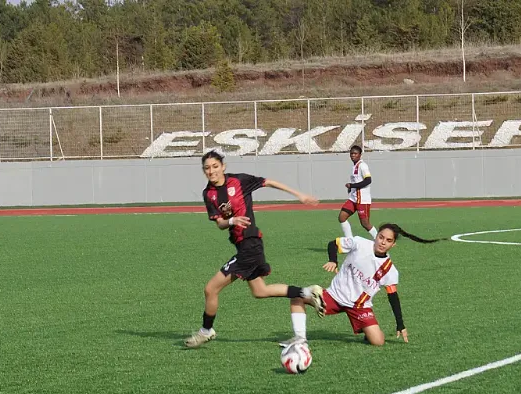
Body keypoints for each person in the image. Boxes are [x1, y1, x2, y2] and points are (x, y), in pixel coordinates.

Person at [184, 150, 319, 348]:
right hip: (243, 246)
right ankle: (307, 292)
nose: (211, 171)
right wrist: (232, 220)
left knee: (211, 289)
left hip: (250, 243)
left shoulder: (239, 181)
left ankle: (206, 331)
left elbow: (268, 182)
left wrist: (299, 194)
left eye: (215, 166)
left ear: (223, 166)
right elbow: (220, 224)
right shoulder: (209, 194)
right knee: (260, 291)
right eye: (207, 168)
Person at [283, 224, 438, 347]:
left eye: (388, 240)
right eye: (381, 237)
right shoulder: (360, 243)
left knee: (378, 342)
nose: (383, 242)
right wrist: (333, 260)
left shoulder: (390, 270)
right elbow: (333, 244)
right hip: (334, 295)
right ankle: (300, 338)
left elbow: (393, 297)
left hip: (359, 306)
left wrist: (400, 324)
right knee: (298, 297)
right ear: (376, 236)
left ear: (393, 244)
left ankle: (366, 330)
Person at [339, 144, 377, 238]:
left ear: (360, 155)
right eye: (351, 153)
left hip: (362, 200)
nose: (353, 155)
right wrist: (351, 188)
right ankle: (350, 241)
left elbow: (368, 180)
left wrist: (352, 185)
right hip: (353, 199)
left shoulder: (362, 166)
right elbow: (357, 181)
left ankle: (379, 240)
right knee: (342, 217)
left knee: (365, 224)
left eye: (355, 153)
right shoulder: (355, 166)